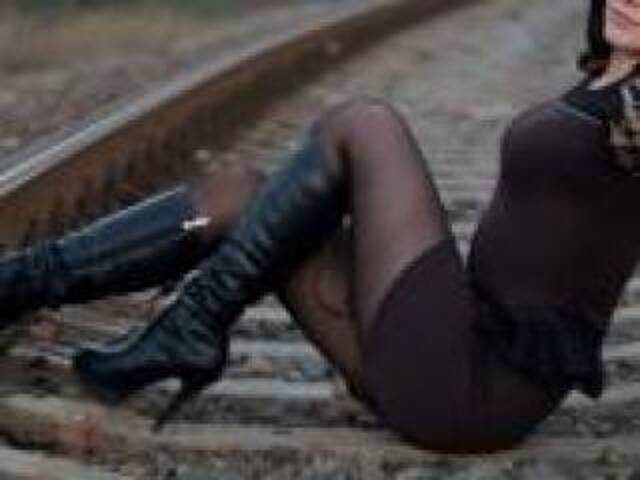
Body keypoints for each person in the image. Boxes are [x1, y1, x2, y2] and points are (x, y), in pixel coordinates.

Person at [2, 0, 640, 453]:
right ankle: (25, 283)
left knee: (365, 124)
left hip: (476, 389)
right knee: (244, 195)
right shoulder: (606, 84)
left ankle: (192, 325)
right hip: (439, 345)